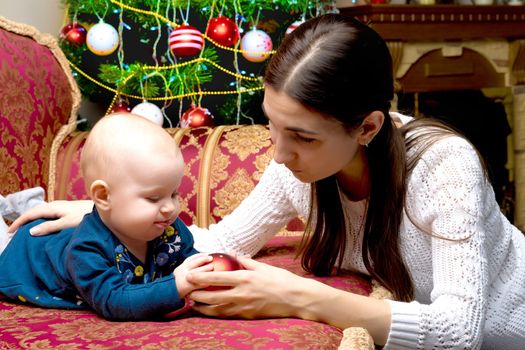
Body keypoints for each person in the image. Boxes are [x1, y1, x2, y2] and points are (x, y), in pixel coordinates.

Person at [7, 14, 525, 348]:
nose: (277, 153)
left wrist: (297, 297)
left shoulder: (444, 166)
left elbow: (461, 333)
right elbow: (216, 241)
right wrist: (105, 214)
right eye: (272, 126)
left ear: (367, 126)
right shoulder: (295, 169)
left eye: (301, 136)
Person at [0, 113, 212, 321]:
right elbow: (114, 301)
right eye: (154, 198)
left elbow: (192, 259)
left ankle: (26, 203)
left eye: (174, 194)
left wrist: (217, 268)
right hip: (25, 252)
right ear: (103, 196)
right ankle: (18, 205)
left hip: (61, 239)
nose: (169, 207)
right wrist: (176, 285)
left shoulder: (168, 227)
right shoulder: (86, 249)